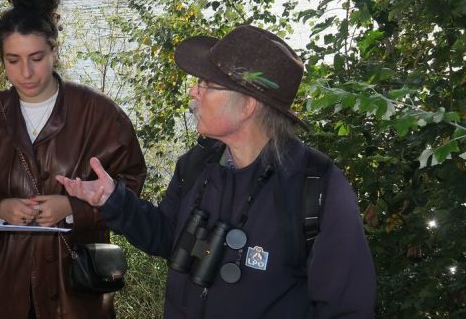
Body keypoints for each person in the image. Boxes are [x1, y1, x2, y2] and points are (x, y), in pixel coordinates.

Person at [57, 25, 377, 318]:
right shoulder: (196, 165)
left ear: (248, 105)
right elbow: (167, 237)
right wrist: (114, 199)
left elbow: (347, 309)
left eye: (206, 85)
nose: (193, 93)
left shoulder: (316, 187)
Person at [0, 0, 147, 318]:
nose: (26, 72)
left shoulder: (101, 115)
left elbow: (130, 183)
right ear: (1, 58)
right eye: (13, 60)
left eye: (37, 58)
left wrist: (73, 208)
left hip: (75, 291)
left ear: (55, 52)